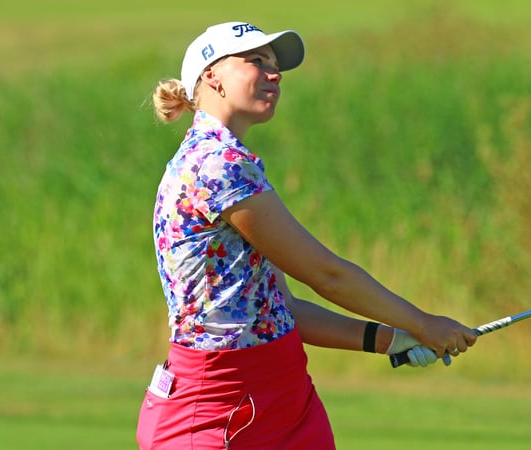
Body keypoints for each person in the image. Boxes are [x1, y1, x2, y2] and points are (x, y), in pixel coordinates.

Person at [136, 21, 477, 450]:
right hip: (216, 407)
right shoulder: (215, 165)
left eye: (275, 66)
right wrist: (423, 323)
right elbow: (326, 274)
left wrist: (392, 339)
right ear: (212, 77)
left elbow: (282, 310)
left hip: (285, 399)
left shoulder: (233, 162)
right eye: (256, 61)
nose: (274, 74)